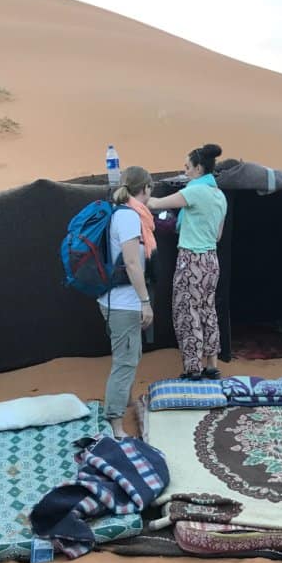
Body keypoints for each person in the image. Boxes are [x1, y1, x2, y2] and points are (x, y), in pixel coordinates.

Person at [147, 143, 227, 380]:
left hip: (191, 259)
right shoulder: (219, 195)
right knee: (208, 310)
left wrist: (133, 195)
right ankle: (211, 364)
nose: (185, 172)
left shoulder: (195, 191)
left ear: (199, 168)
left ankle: (193, 367)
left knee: (187, 311)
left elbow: (155, 204)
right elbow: (218, 235)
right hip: (211, 260)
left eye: (187, 167)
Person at [100, 166, 155, 437]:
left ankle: (126, 403)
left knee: (131, 356)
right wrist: (145, 302)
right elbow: (133, 264)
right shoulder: (130, 218)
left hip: (116, 300)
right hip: (124, 302)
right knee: (124, 362)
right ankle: (116, 423)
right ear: (145, 189)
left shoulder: (120, 213)